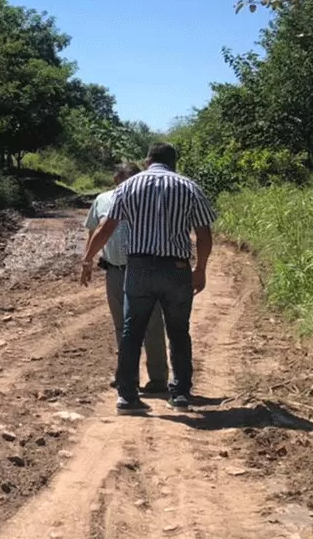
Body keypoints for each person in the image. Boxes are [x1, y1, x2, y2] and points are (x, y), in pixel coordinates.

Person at [80, 142, 216, 415]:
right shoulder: (189, 187)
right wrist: (200, 269)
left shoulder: (128, 187)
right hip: (175, 269)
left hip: (139, 267)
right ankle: (179, 395)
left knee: (131, 332)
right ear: (173, 162)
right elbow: (204, 234)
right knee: (178, 332)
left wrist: (88, 259)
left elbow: (105, 228)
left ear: (147, 160)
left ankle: (127, 398)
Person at [84, 161, 169, 394]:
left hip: (144, 268)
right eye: (123, 181)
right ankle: (126, 375)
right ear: (116, 181)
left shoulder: (151, 199)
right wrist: (87, 260)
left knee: (152, 323)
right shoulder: (102, 199)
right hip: (114, 270)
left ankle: (159, 378)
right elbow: (94, 231)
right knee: (121, 325)